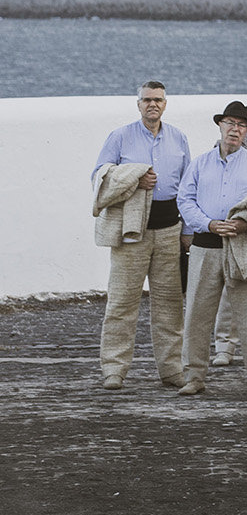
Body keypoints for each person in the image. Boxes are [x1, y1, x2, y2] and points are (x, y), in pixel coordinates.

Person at [177, 101, 247, 397]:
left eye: (240, 125)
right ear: (220, 126)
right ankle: (194, 377)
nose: (234, 129)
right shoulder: (200, 163)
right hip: (205, 245)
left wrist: (245, 223)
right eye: (229, 123)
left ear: (246, 131)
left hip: (243, 245)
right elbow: (185, 201)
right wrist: (210, 224)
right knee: (198, 314)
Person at [92, 81, 192, 390]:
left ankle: (171, 369)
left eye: (158, 100)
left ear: (165, 104)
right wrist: (134, 178)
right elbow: (98, 178)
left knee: (170, 304)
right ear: (138, 104)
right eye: (147, 99)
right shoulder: (120, 136)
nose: (153, 105)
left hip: (169, 230)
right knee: (122, 302)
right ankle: (114, 369)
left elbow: (188, 187)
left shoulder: (178, 138)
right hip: (131, 231)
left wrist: (187, 231)